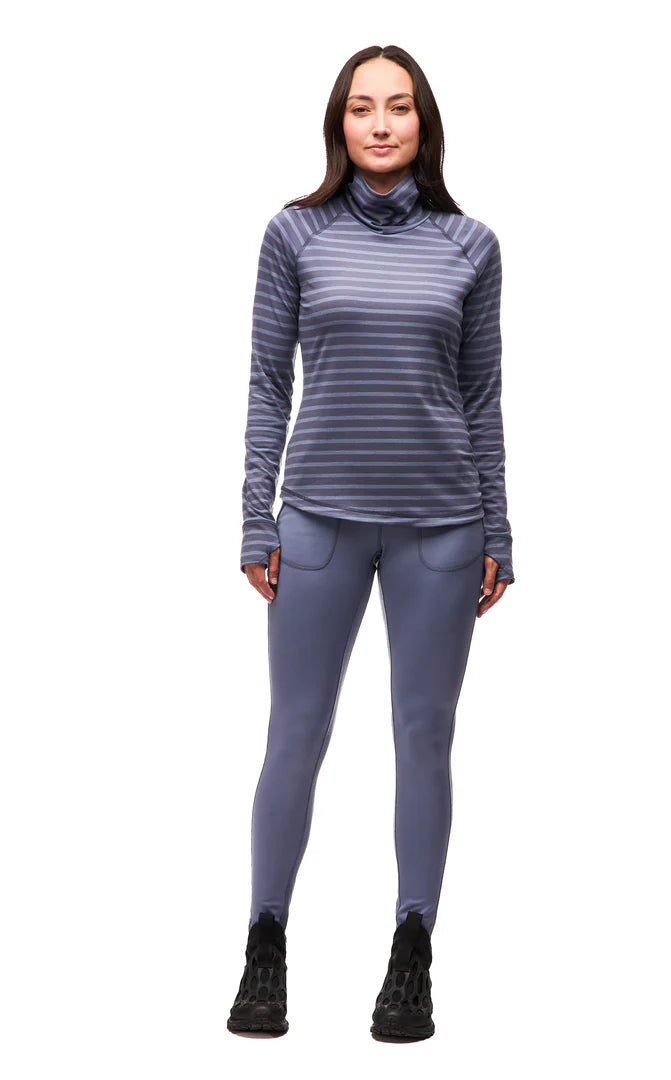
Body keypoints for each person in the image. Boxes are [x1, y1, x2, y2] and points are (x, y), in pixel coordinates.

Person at [227, 44, 515, 1042]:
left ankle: (412, 951)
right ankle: (265, 943)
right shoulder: (294, 233)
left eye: (398, 108)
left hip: (443, 527)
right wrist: (255, 513)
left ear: (423, 124)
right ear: (338, 123)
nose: (381, 124)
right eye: (362, 108)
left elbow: (482, 396)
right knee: (295, 734)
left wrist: (500, 524)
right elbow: (268, 382)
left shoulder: (470, 245)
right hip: (317, 523)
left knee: (423, 736)